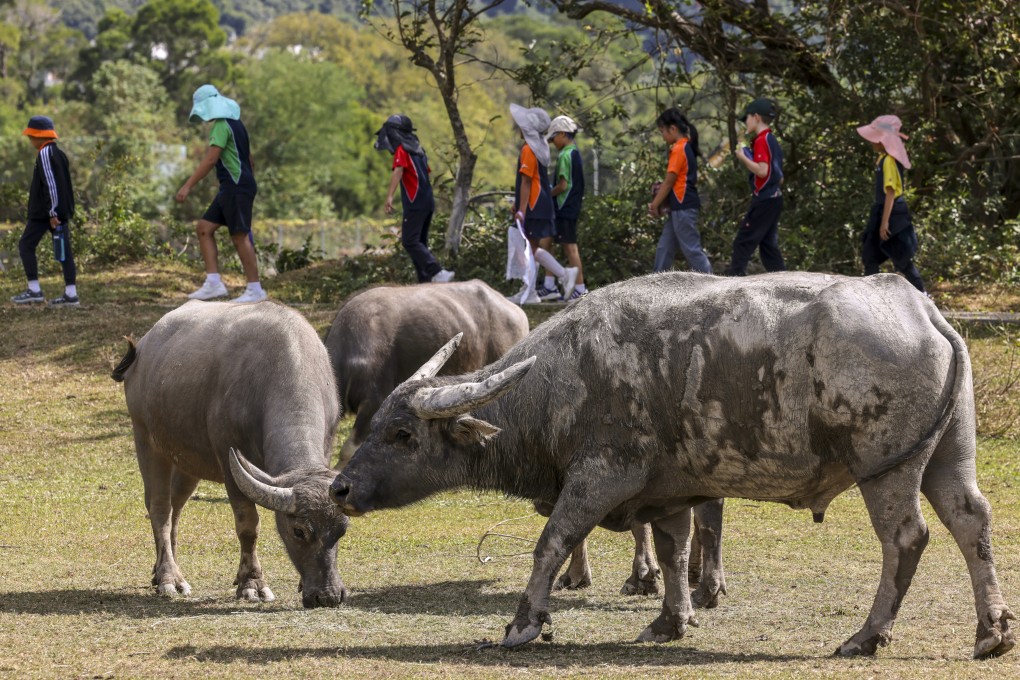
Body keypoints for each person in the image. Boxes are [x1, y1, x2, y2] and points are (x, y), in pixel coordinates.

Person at [175, 84, 265, 303]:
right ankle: (214, 284)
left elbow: (211, 159)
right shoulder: (237, 125)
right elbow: (249, 160)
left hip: (235, 187)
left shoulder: (221, 126)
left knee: (239, 236)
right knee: (204, 228)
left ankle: (255, 290)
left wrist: (187, 186)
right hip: (234, 187)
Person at [374, 114, 454, 284]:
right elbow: (426, 172)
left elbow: (399, 170)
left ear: (395, 133)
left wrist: (389, 196)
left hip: (415, 203)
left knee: (409, 241)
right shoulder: (419, 149)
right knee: (420, 243)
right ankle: (425, 282)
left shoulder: (402, 150)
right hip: (427, 202)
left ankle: (437, 272)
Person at [508, 104, 575, 304]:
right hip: (540, 203)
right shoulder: (540, 146)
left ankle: (560, 276)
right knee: (531, 247)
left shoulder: (529, 149)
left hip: (534, 205)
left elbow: (527, 181)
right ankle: (531, 290)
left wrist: (521, 209)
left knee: (529, 247)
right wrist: (519, 203)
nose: (519, 128)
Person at [11, 116, 79, 307]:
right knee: (64, 252)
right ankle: (71, 294)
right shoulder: (59, 153)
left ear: (39, 136)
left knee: (26, 245)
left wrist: (52, 213)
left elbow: (51, 185)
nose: (30, 139)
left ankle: (34, 290)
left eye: (31, 136)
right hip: (59, 212)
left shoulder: (45, 153)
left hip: (46, 214)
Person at [856, 115, 926, 293]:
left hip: (893, 213)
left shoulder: (889, 161)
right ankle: (871, 296)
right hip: (880, 211)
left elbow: (891, 192)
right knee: (870, 256)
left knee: (901, 257)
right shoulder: (881, 160)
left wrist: (885, 222)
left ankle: (922, 294)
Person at [724, 98, 786, 277]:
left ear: (757, 117)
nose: (746, 122)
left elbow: (762, 170)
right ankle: (784, 282)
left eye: (747, 118)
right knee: (768, 246)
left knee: (743, 242)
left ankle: (734, 283)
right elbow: (779, 177)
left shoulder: (761, 140)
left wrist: (743, 157)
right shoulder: (772, 140)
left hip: (765, 199)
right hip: (775, 198)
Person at [648, 108, 712, 275]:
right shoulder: (685, 147)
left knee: (691, 249)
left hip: (684, 206)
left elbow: (669, 181)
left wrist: (654, 204)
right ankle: (656, 281)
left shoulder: (679, 148)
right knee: (665, 247)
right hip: (679, 208)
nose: (663, 136)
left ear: (673, 129)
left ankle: (714, 286)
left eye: (663, 131)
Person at [547, 115, 588, 300]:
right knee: (547, 244)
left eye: (553, 137)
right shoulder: (575, 153)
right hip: (572, 206)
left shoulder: (565, 155)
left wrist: (546, 194)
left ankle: (580, 287)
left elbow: (562, 185)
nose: (552, 142)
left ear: (563, 134)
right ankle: (549, 285)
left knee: (570, 248)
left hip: (564, 208)